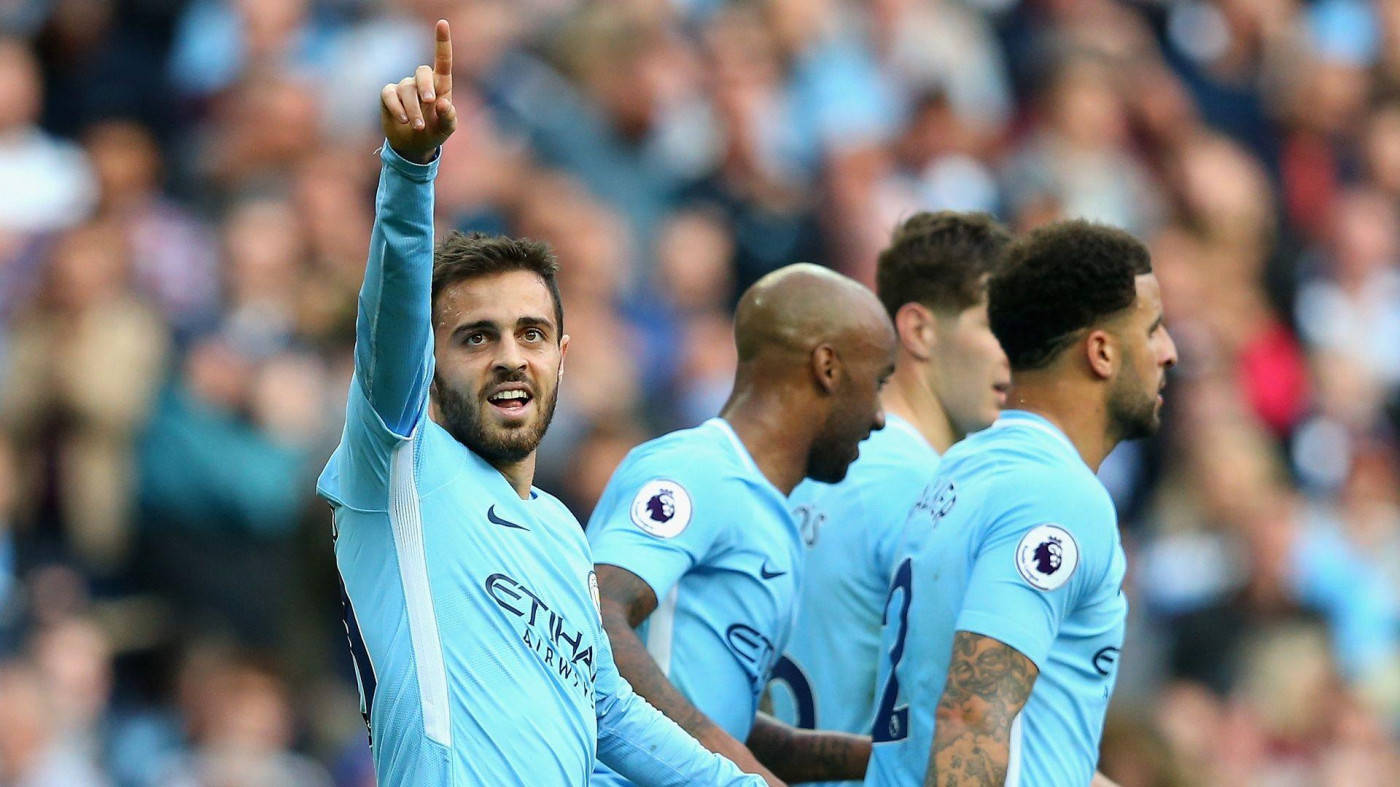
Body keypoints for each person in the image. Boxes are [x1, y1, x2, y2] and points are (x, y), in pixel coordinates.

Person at [317, 20, 766, 787]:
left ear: (563, 356)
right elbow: (388, 328)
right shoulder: (400, 466)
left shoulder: (560, 531)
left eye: (531, 333)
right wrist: (411, 172)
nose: (509, 356)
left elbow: (610, 712)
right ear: (430, 365)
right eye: (476, 337)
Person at [863, 220, 1177, 786]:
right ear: (1101, 352)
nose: (1169, 352)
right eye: (1153, 330)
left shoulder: (963, 467)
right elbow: (971, 720)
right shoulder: (1057, 496)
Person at [588, 263, 897, 785]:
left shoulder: (772, 517)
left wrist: (896, 761)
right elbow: (595, 615)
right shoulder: (697, 469)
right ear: (828, 367)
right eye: (878, 382)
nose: (880, 416)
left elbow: (720, 721)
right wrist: (737, 771)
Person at [768, 212, 1011, 787]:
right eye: (995, 327)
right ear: (920, 330)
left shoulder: (803, 467)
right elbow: (966, 727)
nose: (1015, 357)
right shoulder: (935, 495)